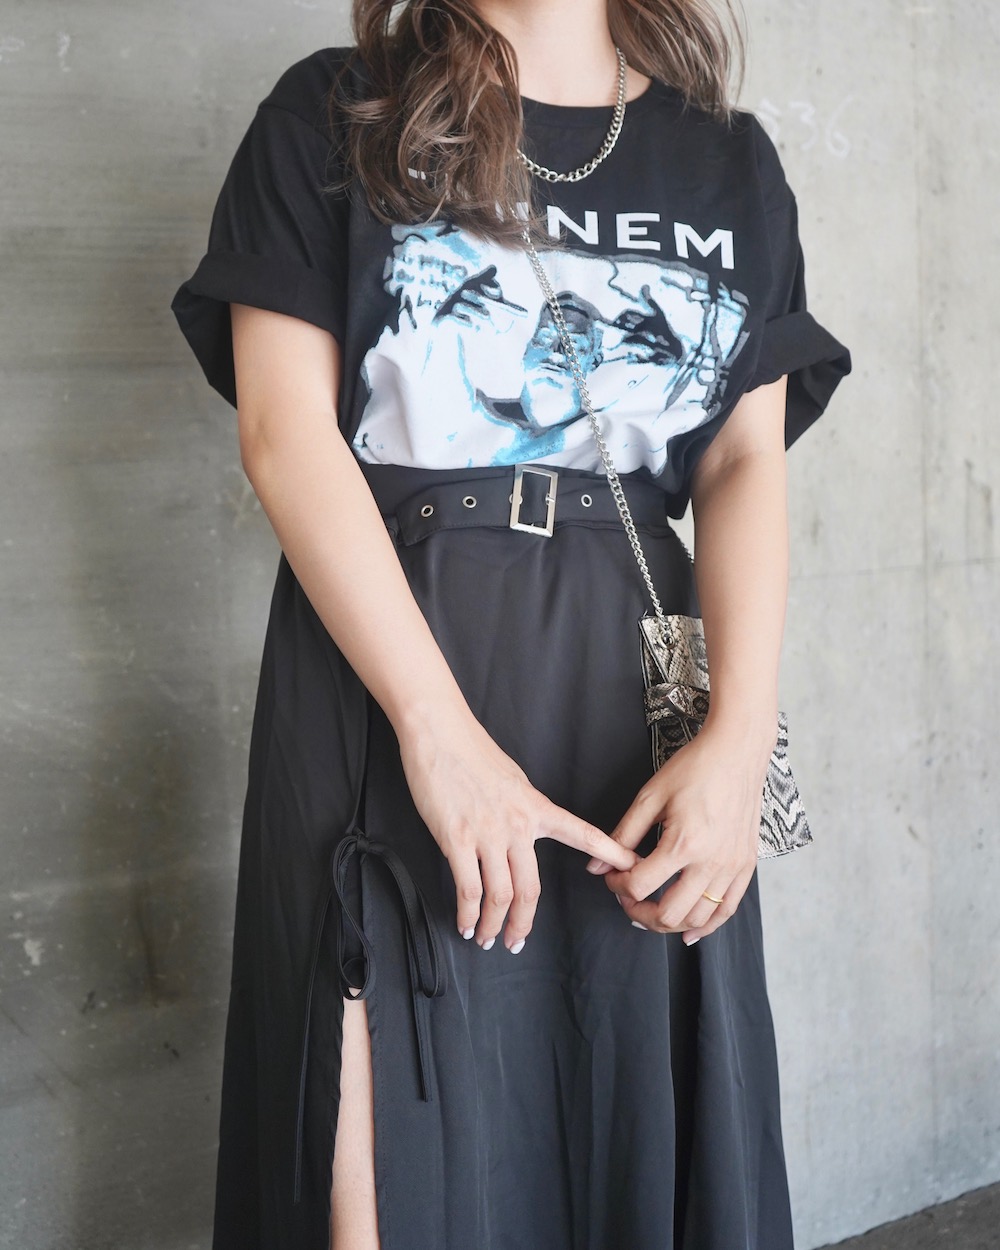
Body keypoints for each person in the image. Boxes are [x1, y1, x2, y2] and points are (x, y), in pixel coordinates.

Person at [171, 1, 851, 1247]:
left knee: (636, 1123)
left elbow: (743, 462)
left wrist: (740, 740)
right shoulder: (335, 109)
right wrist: (437, 733)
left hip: (627, 688)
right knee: (378, 1143)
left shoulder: (725, 158)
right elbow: (283, 432)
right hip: (391, 662)